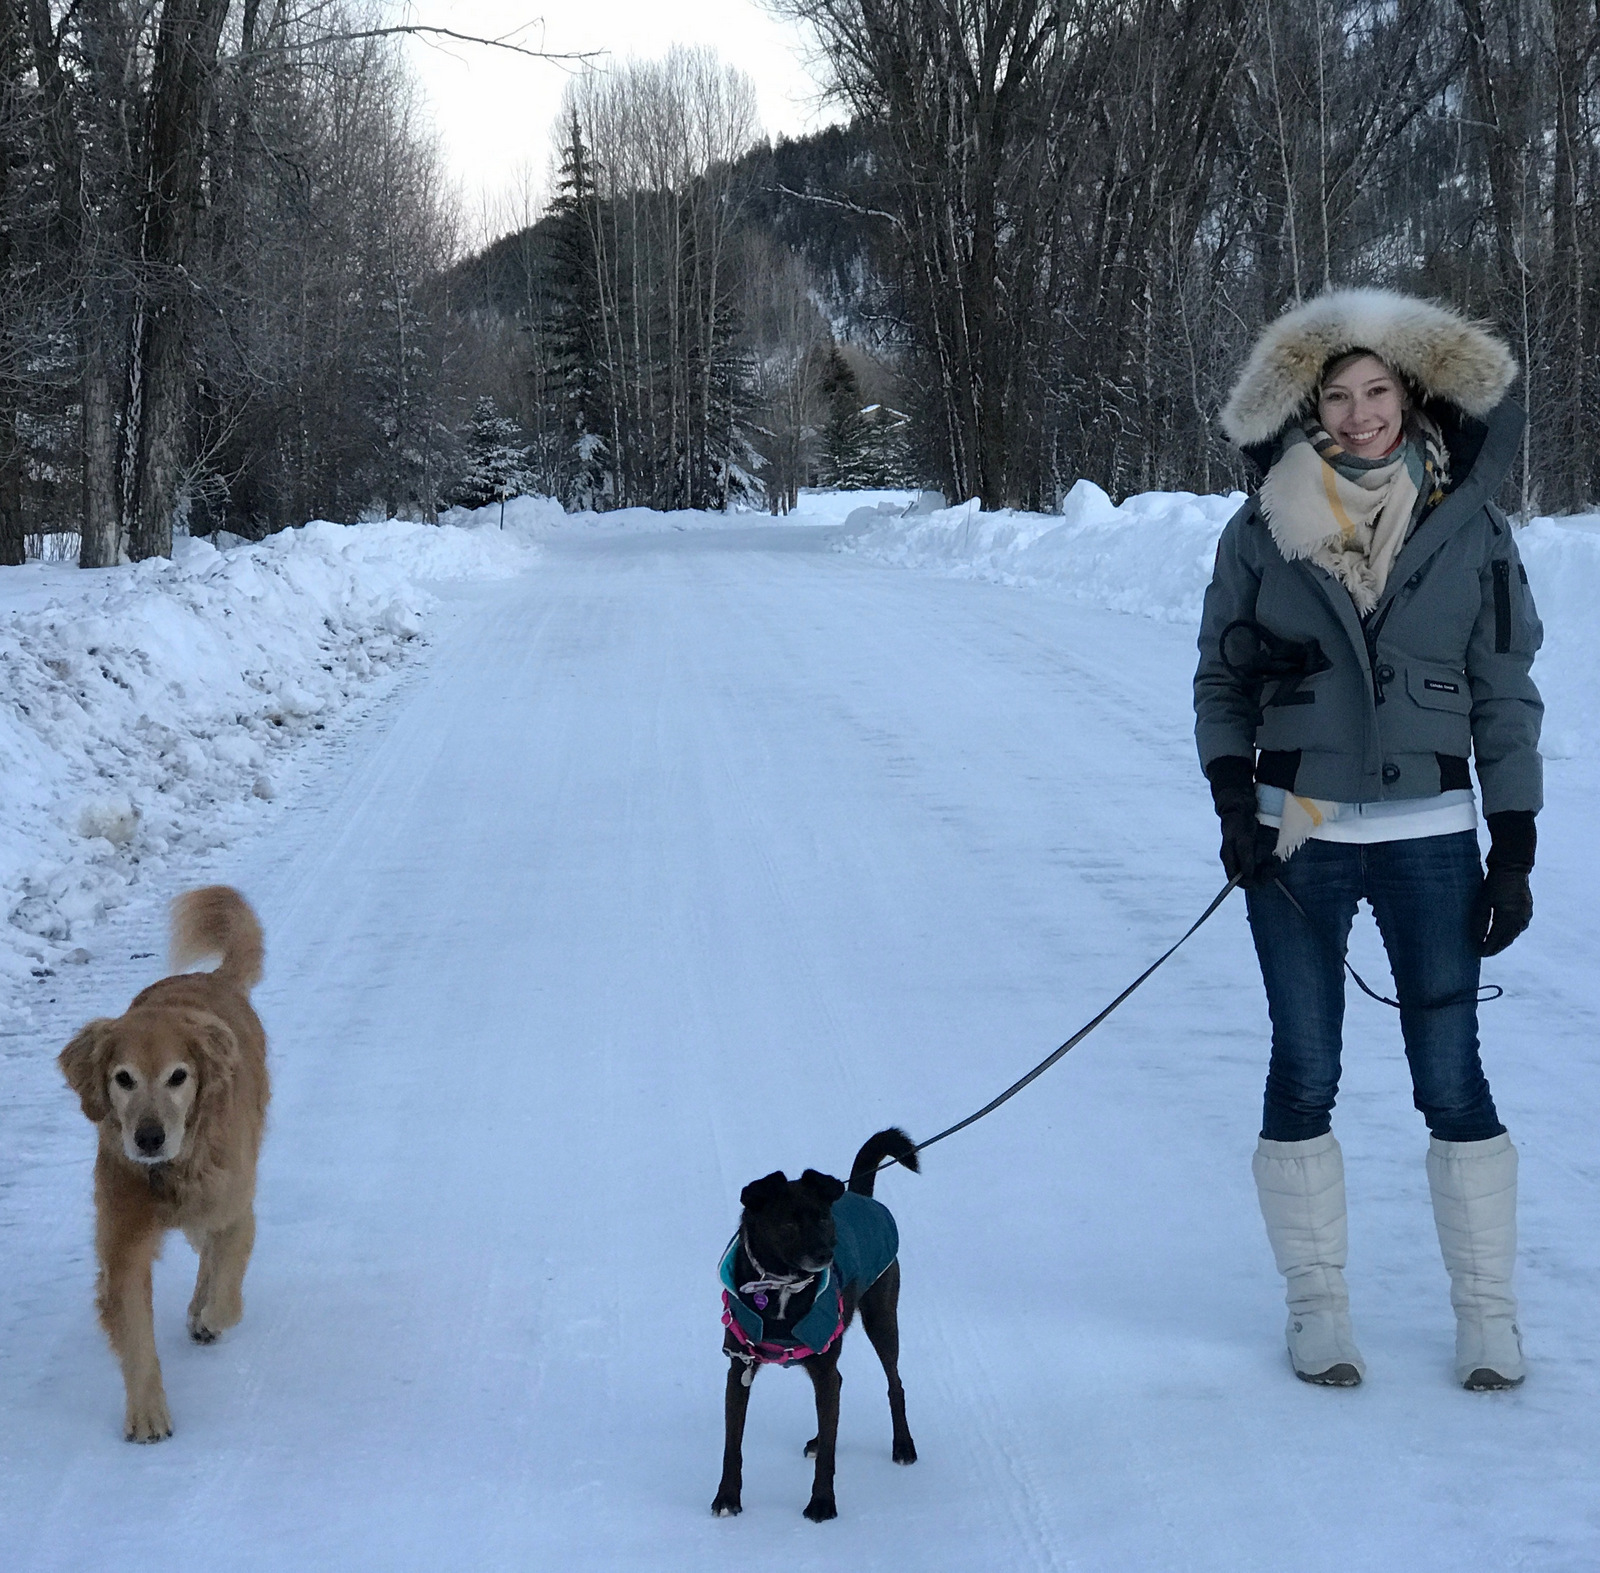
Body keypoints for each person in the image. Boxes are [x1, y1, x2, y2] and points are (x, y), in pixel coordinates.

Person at [1194, 289, 1543, 1391]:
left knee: (1452, 1075)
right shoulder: (1260, 528)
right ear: (1309, 411)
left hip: (1431, 830)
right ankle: (1317, 1312)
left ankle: (1488, 1318)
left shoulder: (1472, 528)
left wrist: (1514, 844)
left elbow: (1504, 690)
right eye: (1336, 397)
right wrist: (1232, 804)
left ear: (1412, 397)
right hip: (1295, 828)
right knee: (1304, 1066)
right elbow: (1218, 680)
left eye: (1376, 391)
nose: (1358, 415)